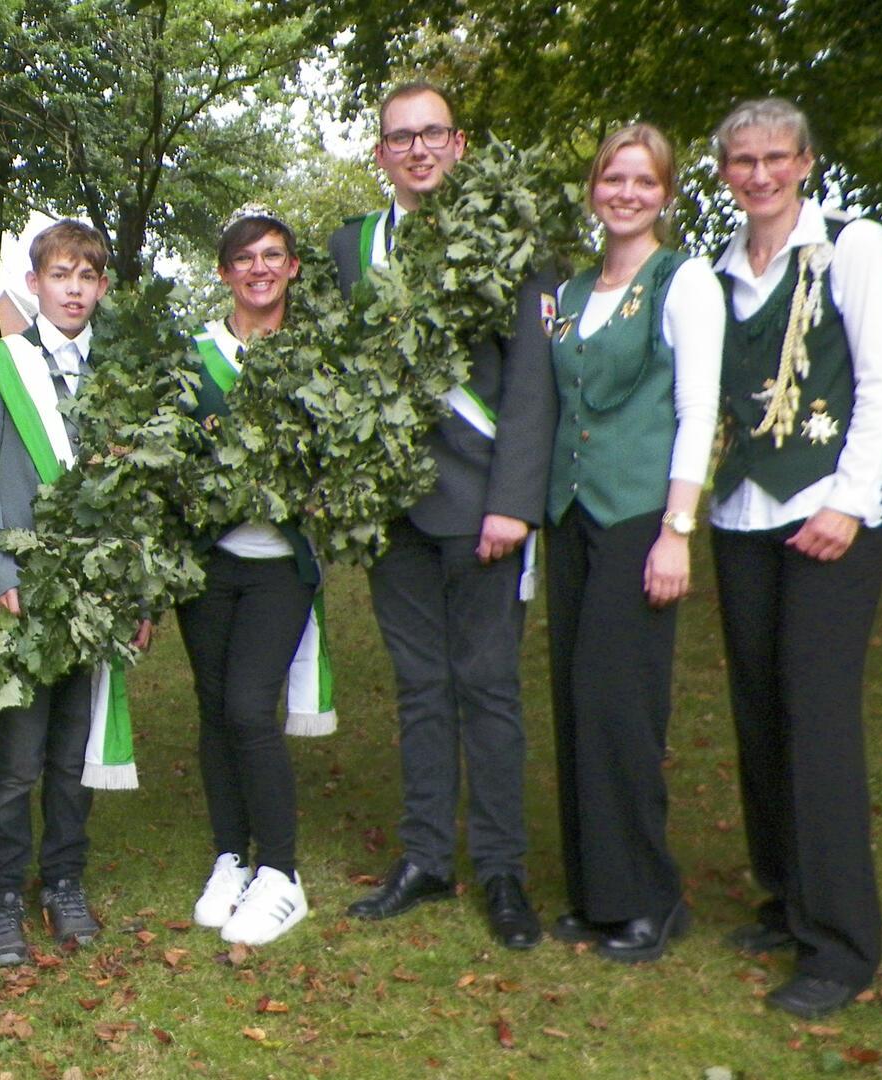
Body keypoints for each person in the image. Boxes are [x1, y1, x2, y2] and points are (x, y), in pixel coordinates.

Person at [328, 83, 556, 949]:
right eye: (399, 137)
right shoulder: (354, 248)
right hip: (393, 512)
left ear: (458, 145)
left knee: (489, 692)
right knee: (421, 692)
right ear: (380, 152)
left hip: (481, 509)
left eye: (432, 134)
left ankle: (501, 869)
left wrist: (514, 503)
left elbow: (533, 381)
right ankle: (426, 858)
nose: (417, 150)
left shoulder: (511, 238)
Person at [707, 97, 882, 1019]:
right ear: (722, 173)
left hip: (831, 516)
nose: (759, 173)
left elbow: (878, 382)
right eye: (742, 160)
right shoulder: (718, 272)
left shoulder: (851, 249)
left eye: (775, 157)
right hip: (745, 513)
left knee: (817, 722)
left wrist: (849, 502)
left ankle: (841, 944)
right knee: (761, 711)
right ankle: (787, 897)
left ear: (805, 163)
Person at [543, 125, 722, 963]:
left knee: (623, 710)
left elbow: (698, 410)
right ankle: (597, 894)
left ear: (666, 192)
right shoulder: (574, 290)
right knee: (579, 706)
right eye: (613, 178)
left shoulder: (682, 280)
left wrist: (677, 531)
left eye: (642, 180)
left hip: (638, 519)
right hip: (573, 519)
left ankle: (651, 897)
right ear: (593, 189)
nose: (625, 192)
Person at [0, 219, 150, 966]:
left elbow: (139, 489)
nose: (74, 289)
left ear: (103, 287)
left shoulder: (122, 373)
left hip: (97, 595)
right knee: (17, 758)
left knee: (75, 751)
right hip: (22, 597)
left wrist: (136, 594)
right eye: (60, 274)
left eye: (87, 276)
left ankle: (64, 880)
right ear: (33, 285)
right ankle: (2, 895)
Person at [178, 208, 323, 948]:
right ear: (224, 271)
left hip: (279, 566)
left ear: (293, 267)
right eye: (244, 257)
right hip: (206, 560)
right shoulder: (194, 355)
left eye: (274, 255)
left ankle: (284, 872)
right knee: (212, 707)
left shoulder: (319, 355)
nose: (259, 268)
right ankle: (231, 856)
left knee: (246, 708)